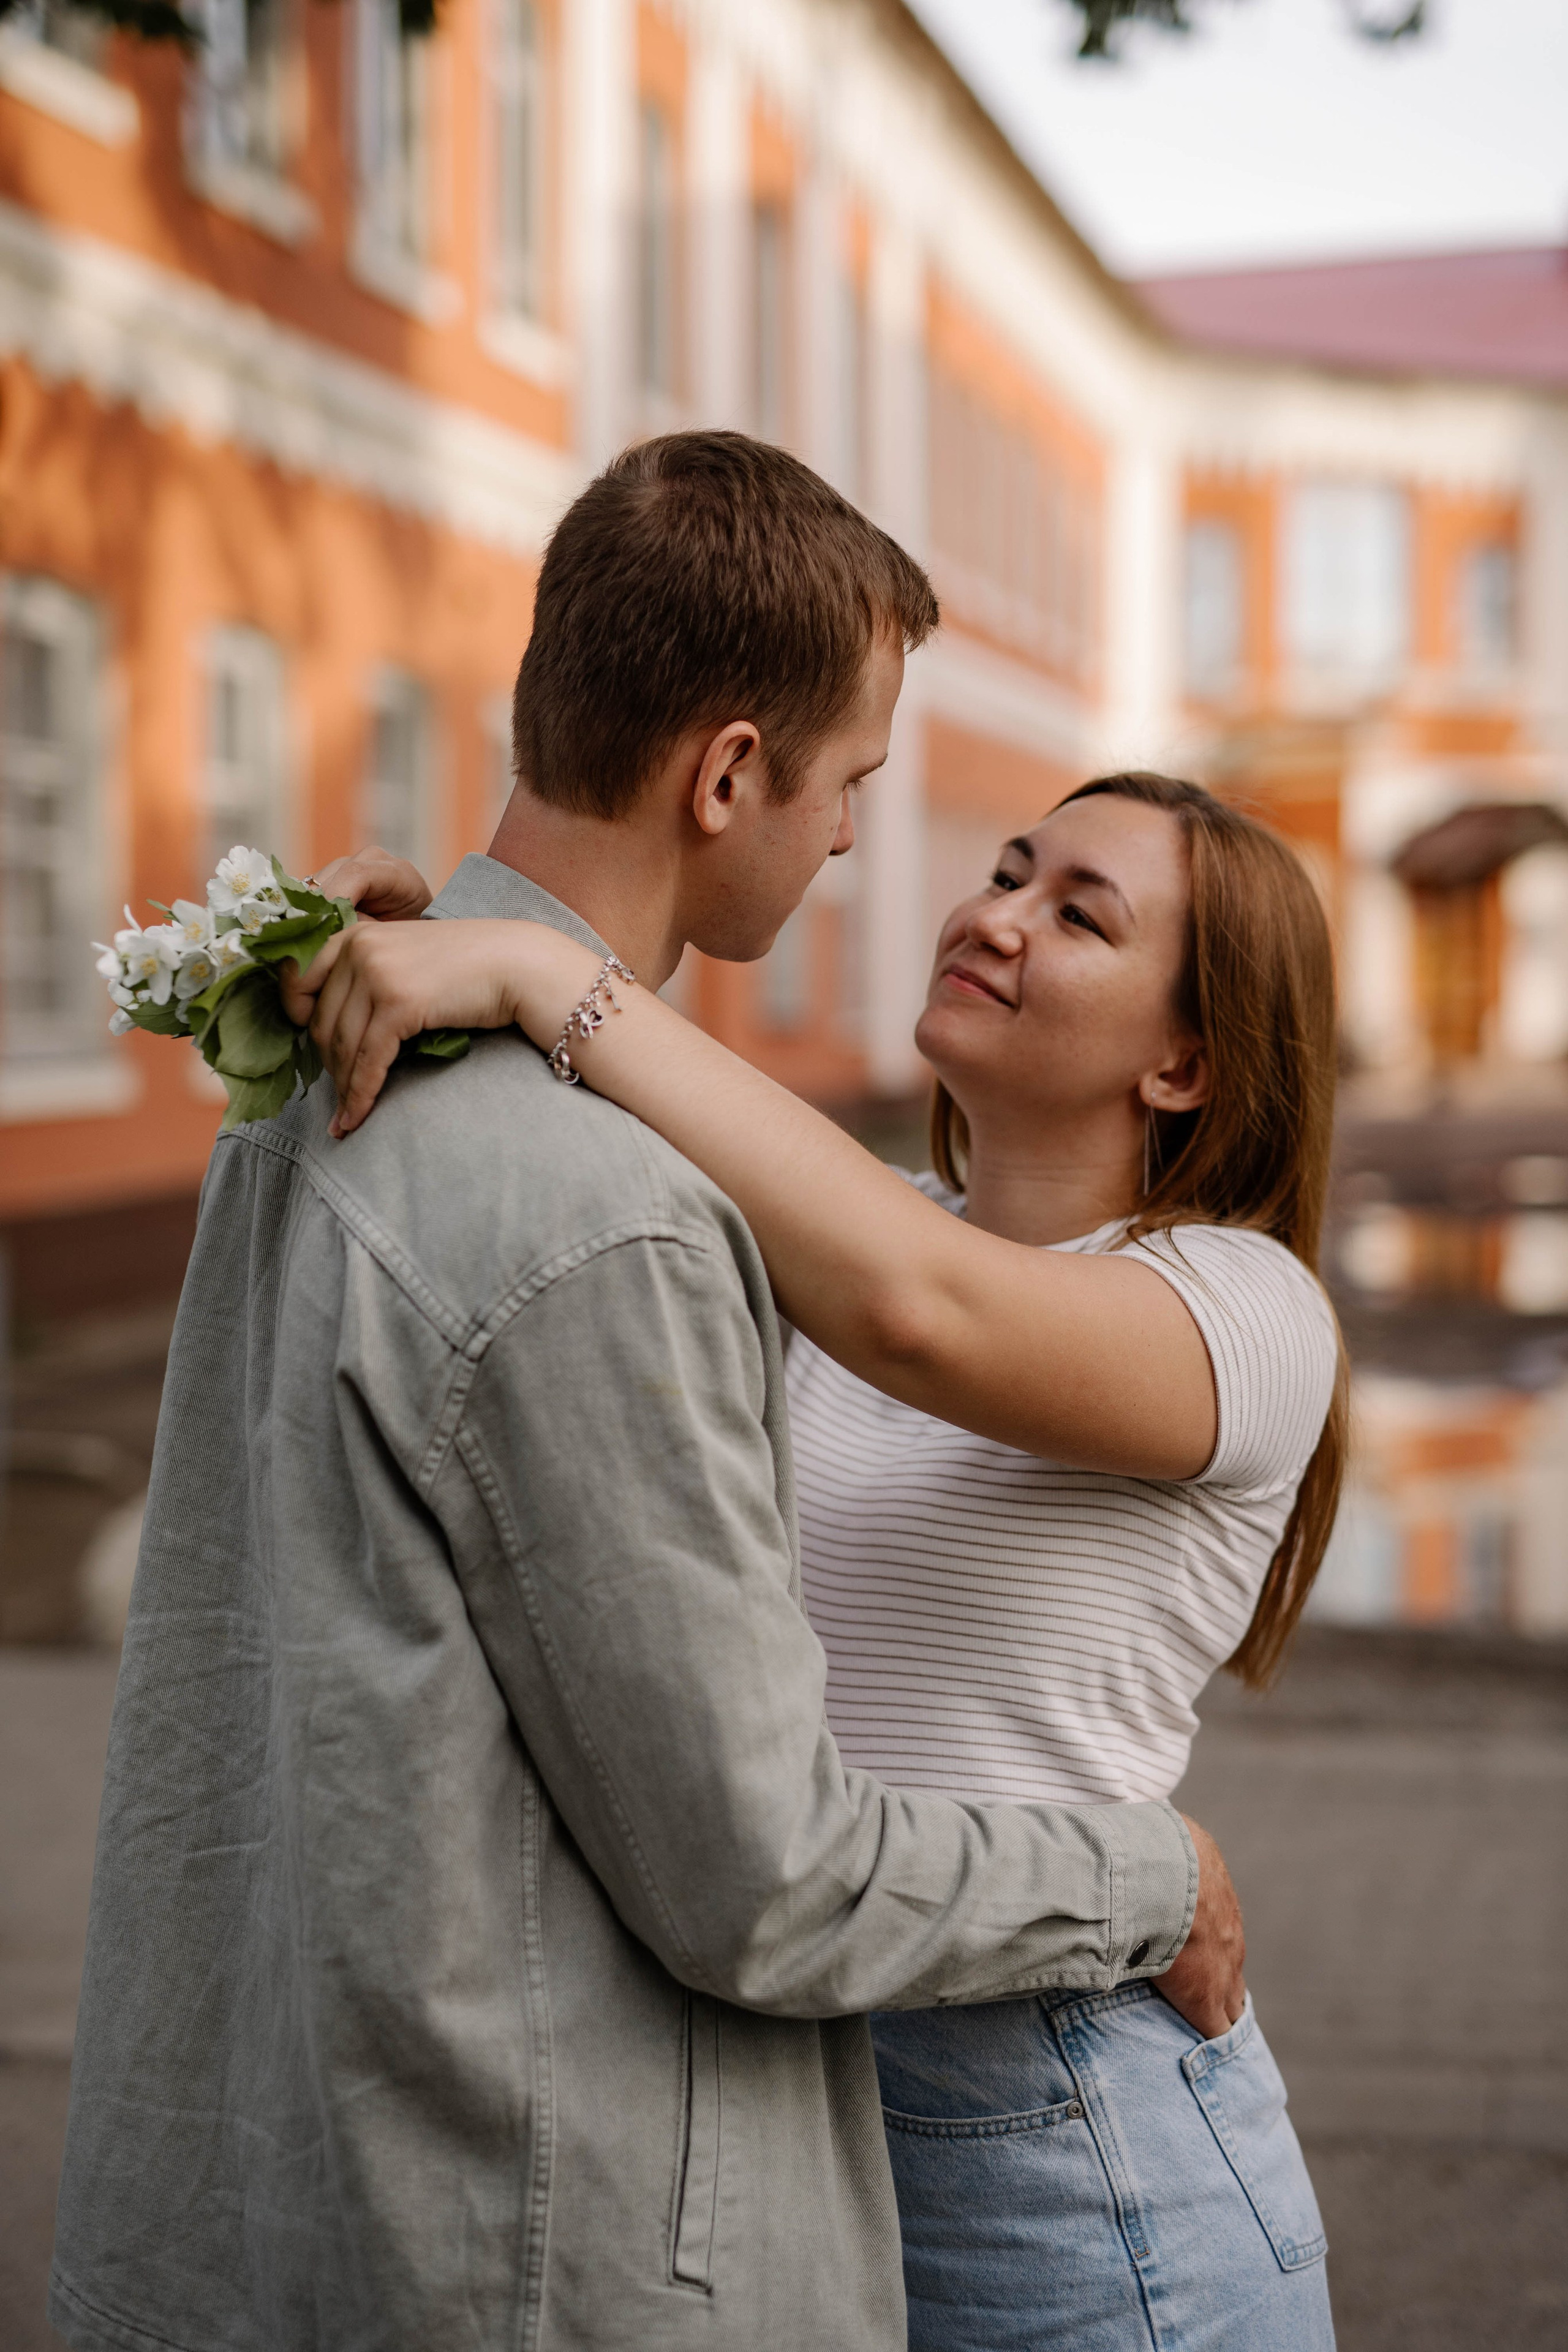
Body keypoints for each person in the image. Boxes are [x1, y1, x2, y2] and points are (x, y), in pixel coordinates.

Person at [50, 434, 1237, 2352]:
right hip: (554, 2246)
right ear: (732, 775)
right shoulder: (604, 1216)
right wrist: (1142, 1870)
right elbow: (766, 1882)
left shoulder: (310, 1067)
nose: (857, 839)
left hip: (310, 2179)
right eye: (851, 782)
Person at [288, 766, 1345, 2350]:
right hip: (785, 2082)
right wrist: (436, 945)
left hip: (1069, 2138)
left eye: (1078, 914)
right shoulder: (836, 1239)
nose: (993, 916)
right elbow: (607, 1176)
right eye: (1007, 869)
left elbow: (920, 1310)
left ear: (1184, 1059)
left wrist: (544, 978)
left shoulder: (1242, 1309)